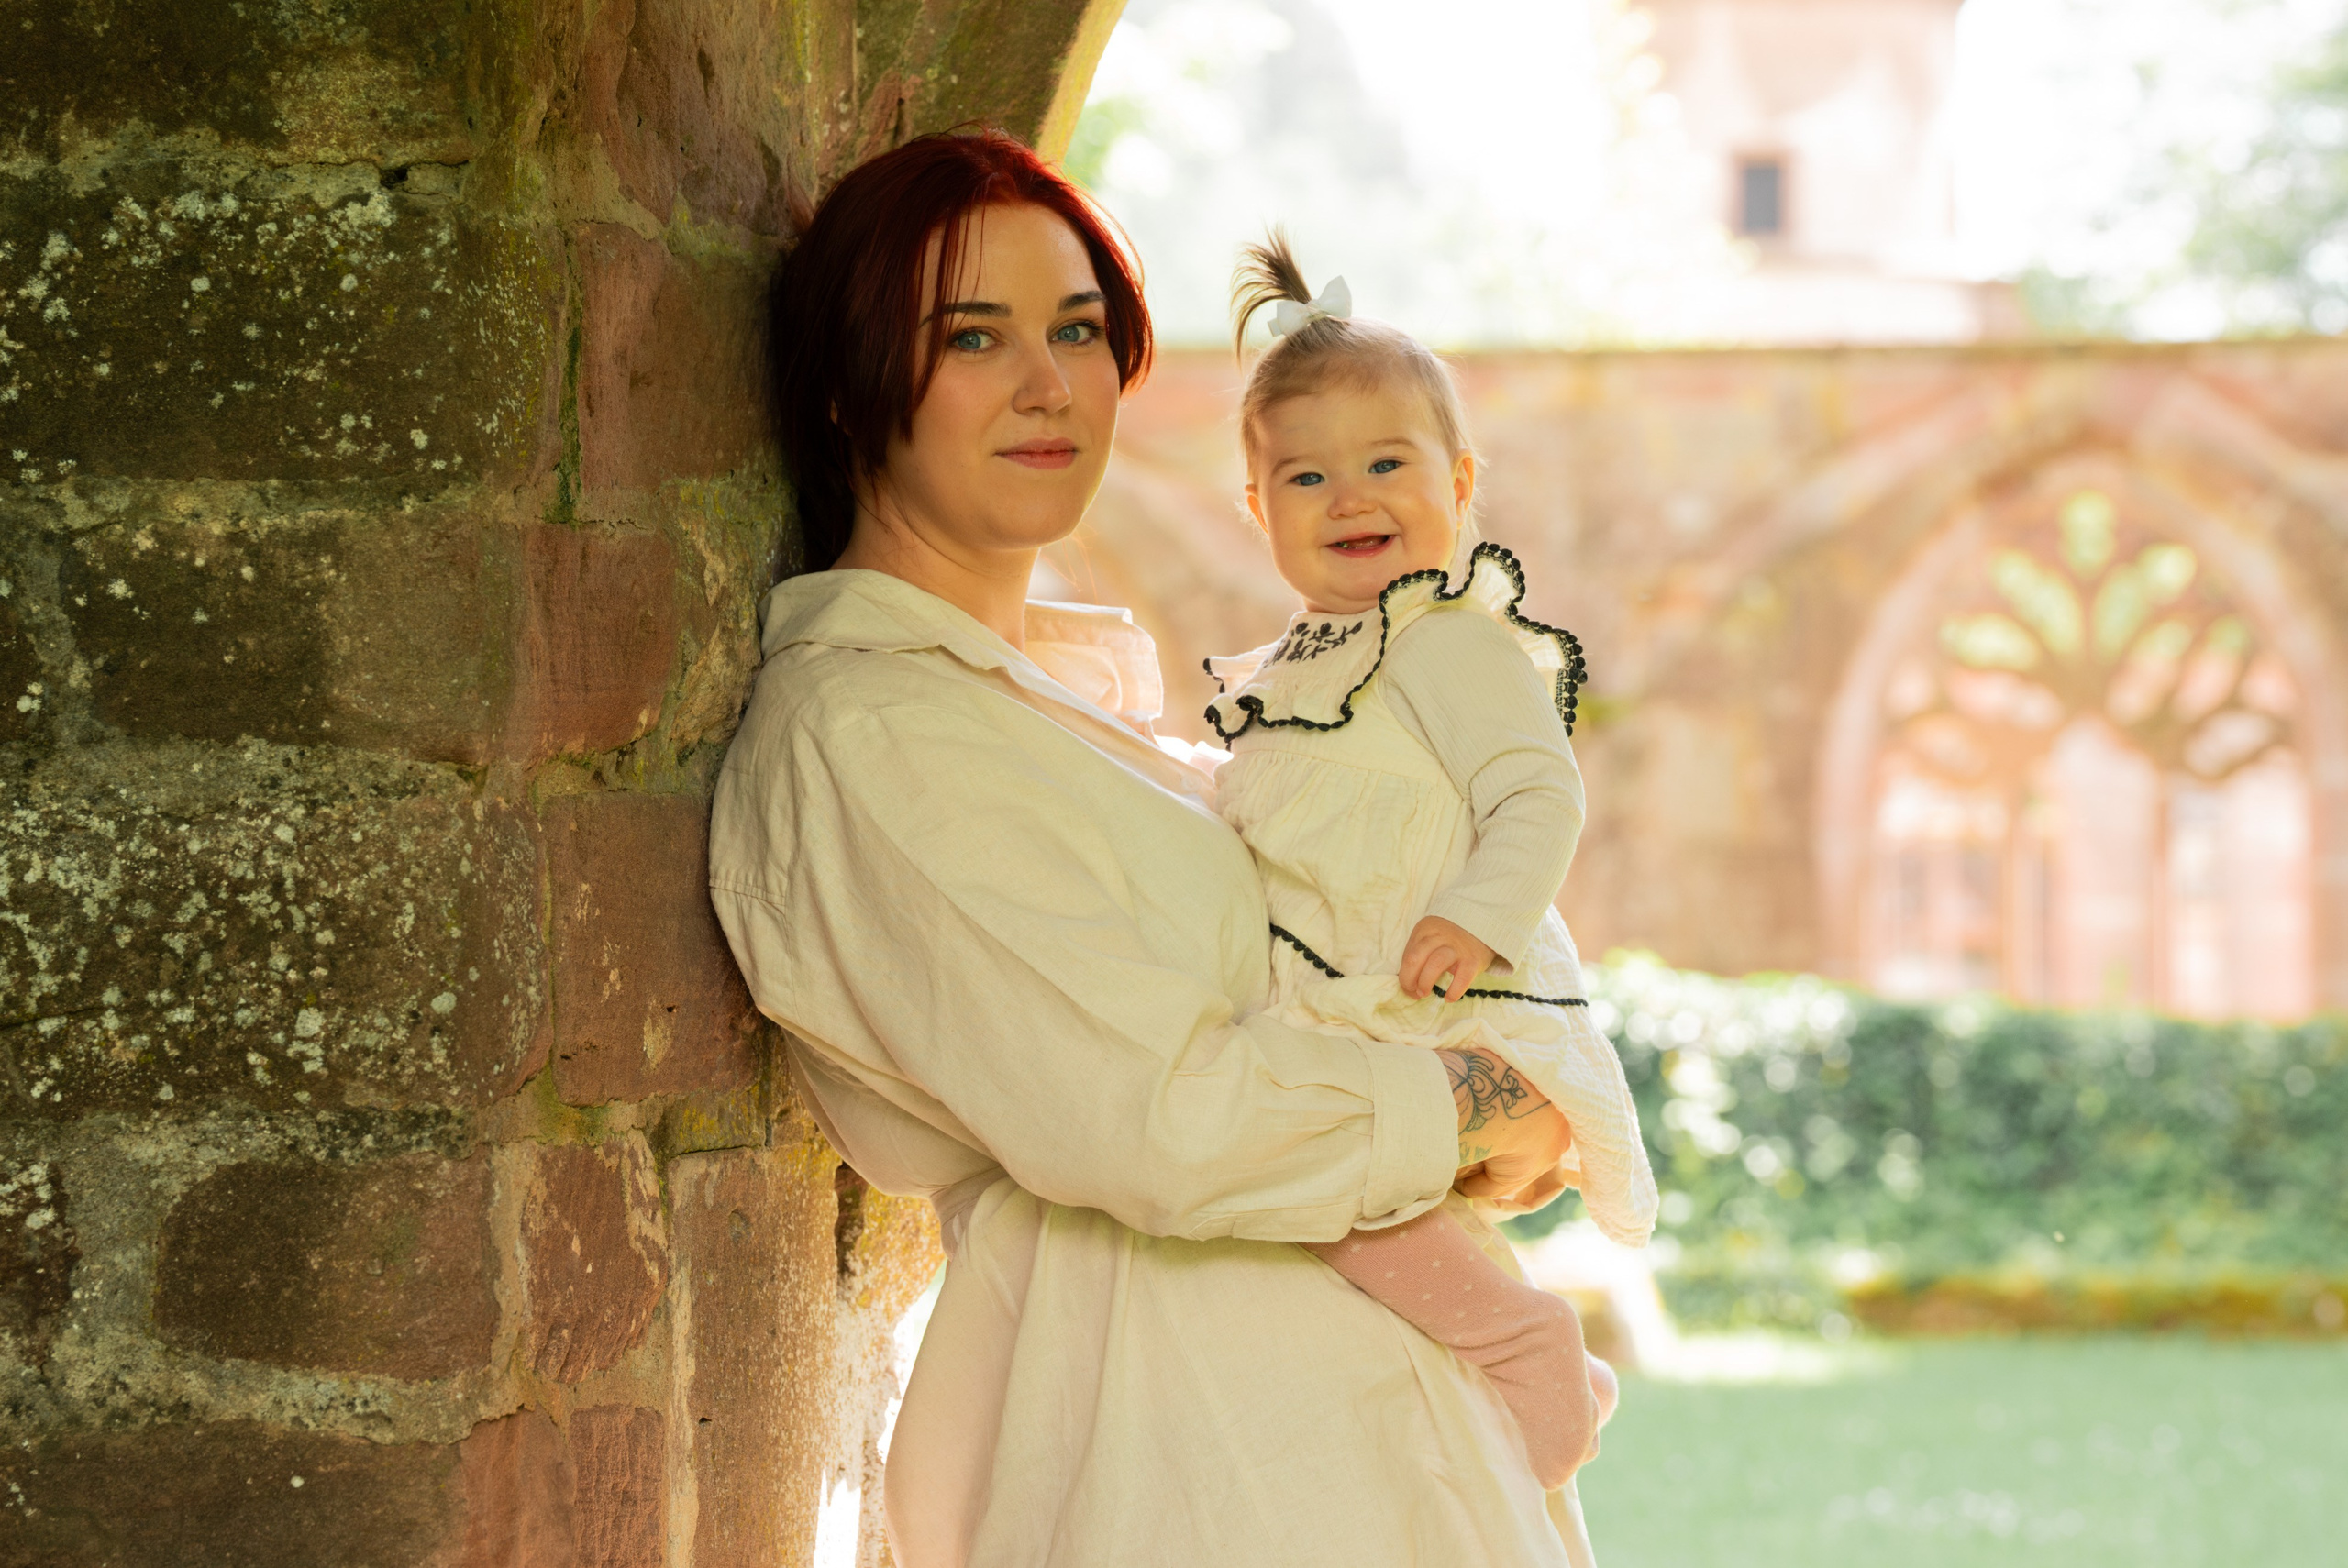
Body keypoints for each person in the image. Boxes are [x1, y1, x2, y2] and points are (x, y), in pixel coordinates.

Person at [709, 129, 1586, 1567]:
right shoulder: (868, 734)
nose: (1050, 382)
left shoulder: (1080, 709)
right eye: (971, 336)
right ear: (845, 387)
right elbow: (1163, 1120)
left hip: (1362, 1458)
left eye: (1076, 328)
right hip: (1188, 1465)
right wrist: (1479, 1097)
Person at [1202, 235, 1656, 1534]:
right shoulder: (1299, 667)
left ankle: (1526, 1346)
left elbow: (1538, 793)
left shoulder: (1445, 639)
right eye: (1307, 473)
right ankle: (1468, 1362)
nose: (1351, 495)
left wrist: (1477, 915)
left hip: (1442, 987)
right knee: (1324, 1198)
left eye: (1387, 463)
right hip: (1355, 989)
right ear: (1257, 508)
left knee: (1335, 1191)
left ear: (1459, 483)